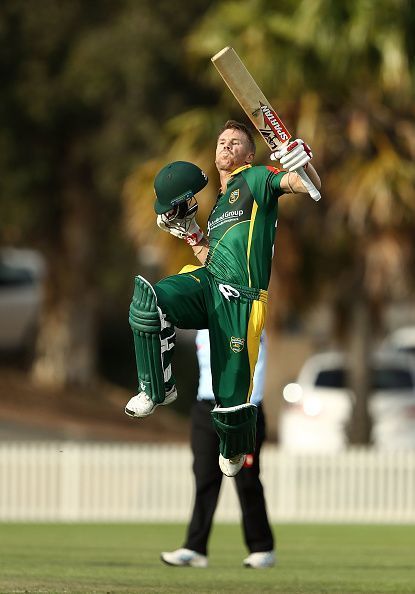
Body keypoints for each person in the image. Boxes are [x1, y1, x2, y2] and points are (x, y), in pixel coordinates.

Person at [125, 120, 321, 477]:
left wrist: (301, 163)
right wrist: (191, 233)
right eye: (222, 142)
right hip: (211, 285)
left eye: (235, 142)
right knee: (149, 301)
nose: (226, 146)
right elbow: (215, 263)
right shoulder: (216, 208)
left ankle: (234, 447)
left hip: (242, 300)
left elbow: (304, 185)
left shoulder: (257, 179)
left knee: (230, 404)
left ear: (249, 153)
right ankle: (156, 387)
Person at [161, 328, 275, 569]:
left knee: (247, 480)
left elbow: (256, 369)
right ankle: (195, 548)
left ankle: (262, 547)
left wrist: (247, 410)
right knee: (204, 479)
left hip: (243, 410)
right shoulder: (203, 325)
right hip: (206, 408)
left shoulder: (246, 318)